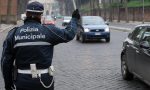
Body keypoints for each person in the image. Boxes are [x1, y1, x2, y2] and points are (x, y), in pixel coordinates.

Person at [1, 1, 80, 90]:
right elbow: (69, 34)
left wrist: (8, 84)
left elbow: (5, 62)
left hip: (22, 81)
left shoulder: (14, 33)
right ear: (41, 15)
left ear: (26, 13)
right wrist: (74, 19)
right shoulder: (49, 31)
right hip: (44, 81)